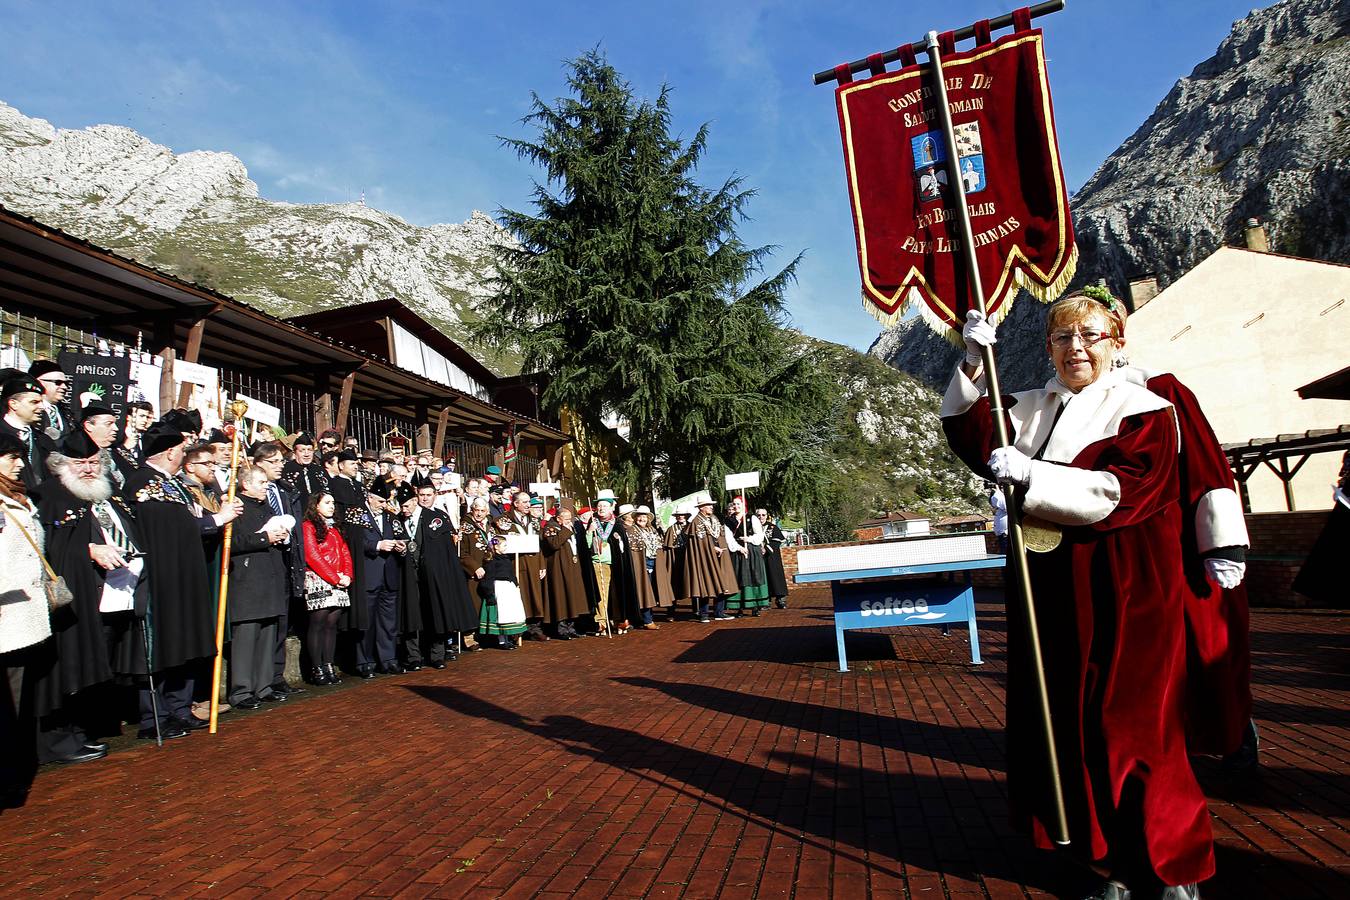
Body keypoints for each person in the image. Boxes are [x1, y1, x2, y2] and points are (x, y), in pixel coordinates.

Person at [945, 294, 1211, 899]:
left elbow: (1121, 492)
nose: (1076, 348)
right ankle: (1112, 861)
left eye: (1090, 335)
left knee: (1136, 723)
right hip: (1050, 589)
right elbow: (968, 430)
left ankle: (1173, 865)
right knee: (1070, 721)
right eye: (1062, 338)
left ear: (1117, 340)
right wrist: (970, 362)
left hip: (1127, 587)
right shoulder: (1032, 407)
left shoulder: (1146, 409)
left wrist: (1033, 476)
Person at [122, 420, 241, 741]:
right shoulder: (142, 484)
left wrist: (214, 518)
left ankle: (179, 707)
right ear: (170, 451)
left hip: (187, 575)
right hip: (161, 579)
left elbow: (189, 520)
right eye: (178, 451)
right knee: (162, 646)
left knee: (187, 642)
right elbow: (169, 530)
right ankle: (156, 716)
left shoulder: (173, 484)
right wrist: (216, 520)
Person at [31, 431, 131, 766]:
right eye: (80, 464)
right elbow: (48, 550)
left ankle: (76, 731)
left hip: (98, 595)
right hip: (62, 601)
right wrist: (88, 550)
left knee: (85, 666)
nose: (88, 470)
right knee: (62, 667)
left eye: (92, 463)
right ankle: (55, 739)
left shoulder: (97, 495)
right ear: (62, 465)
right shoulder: (49, 496)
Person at [0, 433, 54, 803]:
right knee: (8, 703)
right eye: (9, 458)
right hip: (8, 615)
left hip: (26, 615)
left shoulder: (17, 499)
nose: (19, 464)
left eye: (19, 457)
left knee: (20, 703)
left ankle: (14, 770)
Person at [225, 466, 291, 710]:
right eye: (261, 482)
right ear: (246, 484)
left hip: (270, 577)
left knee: (267, 634)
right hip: (247, 580)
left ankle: (263, 686)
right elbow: (233, 542)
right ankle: (241, 690)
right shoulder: (236, 507)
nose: (266, 486)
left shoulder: (267, 507)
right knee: (247, 637)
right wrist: (265, 538)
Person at [250, 442, 306, 698]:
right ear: (259, 463)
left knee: (282, 620)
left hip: (287, 559)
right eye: (274, 461)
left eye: (281, 461)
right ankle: (258, 680)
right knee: (266, 623)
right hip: (262, 561)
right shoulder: (253, 493)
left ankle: (276, 675)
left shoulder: (286, 491)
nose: (281, 465)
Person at [400, 483, 474, 668]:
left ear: (435, 496)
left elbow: (445, 551)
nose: (424, 498)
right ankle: (414, 656)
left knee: (435, 611)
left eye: (428, 495)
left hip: (433, 575)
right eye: (421, 495)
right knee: (412, 614)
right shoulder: (401, 518)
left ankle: (437, 655)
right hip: (410, 574)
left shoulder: (438, 517)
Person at [459, 498, 528, 649]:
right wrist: (474, 567)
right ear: (472, 509)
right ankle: (470, 636)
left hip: (493, 569)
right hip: (476, 571)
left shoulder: (492, 524)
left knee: (493, 605)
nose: (479, 514)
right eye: (476, 510)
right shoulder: (466, 527)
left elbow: (508, 533)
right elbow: (462, 553)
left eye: (483, 510)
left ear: (487, 511)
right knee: (474, 603)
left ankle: (490, 635)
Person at [301, 491, 352, 686]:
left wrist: (347, 575)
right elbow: (312, 555)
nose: (332, 506)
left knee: (332, 623)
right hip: (319, 577)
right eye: (327, 502)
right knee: (318, 622)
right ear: (316, 505)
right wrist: (333, 577)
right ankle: (317, 667)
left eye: (333, 502)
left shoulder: (335, 527)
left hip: (338, 578)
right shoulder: (308, 526)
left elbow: (344, 551)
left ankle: (329, 664)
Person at [357, 483, 407, 676]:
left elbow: (401, 535)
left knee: (388, 621)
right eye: (379, 501)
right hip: (370, 572)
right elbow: (355, 541)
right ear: (369, 497)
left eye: (385, 501)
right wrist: (377, 545)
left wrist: (401, 546)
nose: (382, 504)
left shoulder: (390, 516)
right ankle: (365, 662)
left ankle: (388, 659)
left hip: (389, 573)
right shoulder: (358, 516)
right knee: (367, 621)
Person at [683, 494, 739, 623]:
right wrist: (712, 548)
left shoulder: (714, 518)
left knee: (721, 581)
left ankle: (719, 611)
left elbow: (720, 534)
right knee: (706, 582)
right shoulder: (697, 522)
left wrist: (722, 547)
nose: (711, 507)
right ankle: (704, 614)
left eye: (711, 505)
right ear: (701, 507)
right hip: (705, 557)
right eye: (708, 505)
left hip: (719, 555)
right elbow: (699, 542)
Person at [504, 490, 549, 642]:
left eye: (529, 502)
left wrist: (542, 564)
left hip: (534, 563)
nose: (528, 505)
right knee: (519, 596)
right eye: (524, 502)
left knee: (534, 596)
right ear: (515, 504)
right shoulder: (505, 521)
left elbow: (539, 545)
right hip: (517, 563)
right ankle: (517, 630)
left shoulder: (533, 521)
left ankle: (534, 628)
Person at [0, 375, 54, 494]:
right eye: (34, 402)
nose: (42, 407)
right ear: (13, 404)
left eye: (41, 402)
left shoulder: (44, 440)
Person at [542, 507, 590, 639]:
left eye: (571, 518)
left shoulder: (568, 528)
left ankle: (571, 626)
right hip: (559, 567)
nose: (570, 521)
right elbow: (554, 544)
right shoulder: (550, 528)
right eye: (567, 519)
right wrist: (566, 530)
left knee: (573, 596)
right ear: (558, 519)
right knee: (562, 596)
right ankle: (561, 628)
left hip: (572, 566)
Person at [723, 496, 770, 617]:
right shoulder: (728, 521)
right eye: (734, 504)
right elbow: (729, 538)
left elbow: (759, 535)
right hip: (738, 551)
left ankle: (755, 605)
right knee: (739, 577)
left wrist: (748, 539)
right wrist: (739, 548)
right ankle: (739, 607)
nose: (736, 506)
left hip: (752, 551)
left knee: (753, 575)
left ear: (744, 505)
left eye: (739, 504)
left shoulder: (752, 518)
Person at [628, 506, 663, 629]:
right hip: (642, 563)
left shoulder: (652, 530)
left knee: (651, 591)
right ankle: (647, 620)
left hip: (653, 561)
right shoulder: (632, 530)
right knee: (644, 591)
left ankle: (647, 618)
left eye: (644, 516)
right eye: (639, 516)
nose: (642, 518)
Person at [28, 360, 74, 442]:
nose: (64, 387)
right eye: (58, 382)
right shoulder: (29, 411)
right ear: (38, 382)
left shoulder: (67, 413)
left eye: (66, 383)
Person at [281, 433, 326, 510]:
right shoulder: (285, 470)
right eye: (302, 450)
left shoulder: (320, 470)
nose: (306, 454)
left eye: (309, 450)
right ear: (295, 453)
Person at [661, 505, 691, 616]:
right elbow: (667, 545)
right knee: (673, 583)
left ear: (686, 516)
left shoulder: (691, 526)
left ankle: (696, 610)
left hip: (689, 557)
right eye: (678, 515)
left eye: (682, 515)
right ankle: (671, 611)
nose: (681, 517)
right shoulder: (671, 529)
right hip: (675, 558)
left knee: (692, 582)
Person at [759, 509, 789, 609]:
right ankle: (765, 601)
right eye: (759, 515)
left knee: (776, 577)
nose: (761, 517)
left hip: (772, 557)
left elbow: (777, 541)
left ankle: (780, 599)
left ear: (766, 516)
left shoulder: (772, 527)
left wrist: (766, 549)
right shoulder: (752, 528)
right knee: (764, 578)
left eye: (763, 515)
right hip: (759, 558)